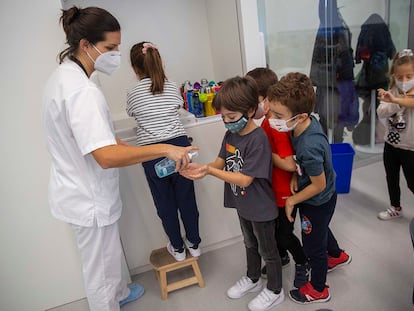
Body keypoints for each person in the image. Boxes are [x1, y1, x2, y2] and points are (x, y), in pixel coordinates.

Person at [43, 7, 197, 311]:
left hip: (82, 188)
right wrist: (164, 148)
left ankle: (119, 293)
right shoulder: (82, 91)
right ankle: (108, 301)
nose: (115, 54)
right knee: (99, 270)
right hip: (88, 197)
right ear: (86, 44)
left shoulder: (64, 77)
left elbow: (94, 136)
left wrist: (122, 142)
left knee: (109, 256)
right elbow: (106, 157)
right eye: (111, 48)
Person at [180, 76, 284, 311]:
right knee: (249, 243)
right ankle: (253, 278)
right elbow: (220, 161)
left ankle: (276, 290)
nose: (226, 122)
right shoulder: (231, 134)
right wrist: (203, 168)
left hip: (261, 207)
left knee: (268, 250)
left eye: (231, 117)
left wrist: (209, 171)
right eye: (223, 117)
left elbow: (245, 179)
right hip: (243, 204)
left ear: (249, 110)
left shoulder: (258, 139)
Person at [267, 72, 351, 304]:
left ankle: (318, 289)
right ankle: (336, 255)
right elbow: (304, 168)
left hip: (318, 199)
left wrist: (293, 200)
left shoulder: (309, 145)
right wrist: (295, 174)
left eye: (278, 115)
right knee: (320, 230)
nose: (272, 118)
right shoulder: (303, 125)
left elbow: (318, 184)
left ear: (300, 116)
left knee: (313, 245)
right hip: (319, 195)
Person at [126, 41, 201, 260]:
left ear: (135, 68)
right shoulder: (171, 86)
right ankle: (194, 244)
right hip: (179, 147)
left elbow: (132, 113)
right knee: (186, 199)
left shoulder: (133, 92)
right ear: (159, 61)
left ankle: (177, 248)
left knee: (165, 203)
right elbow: (177, 107)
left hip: (153, 153)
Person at [246, 68, 309, 288]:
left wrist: (263, 153)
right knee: (275, 231)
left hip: (284, 193)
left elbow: (290, 163)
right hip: (274, 189)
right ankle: (282, 257)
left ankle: (302, 262)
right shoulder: (267, 121)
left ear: (265, 100)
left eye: (252, 99)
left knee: (284, 234)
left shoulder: (275, 125)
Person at [310, 0, 358, 143]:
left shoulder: (336, 28)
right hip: (328, 81)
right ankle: (330, 148)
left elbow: (343, 56)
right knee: (328, 117)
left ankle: (334, 150)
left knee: (336, 117)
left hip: (335, 82)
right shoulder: (334, 26)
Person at [376, 48, 414, 220]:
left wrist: (397, 100)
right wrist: (395, 101)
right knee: (391, 178)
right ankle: (395, 206)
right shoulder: (393, 93)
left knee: (412, 182)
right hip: (391, 145)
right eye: (399, 78)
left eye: (409, 76)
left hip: (411, 148)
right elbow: (381, 112)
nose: (404, 81)